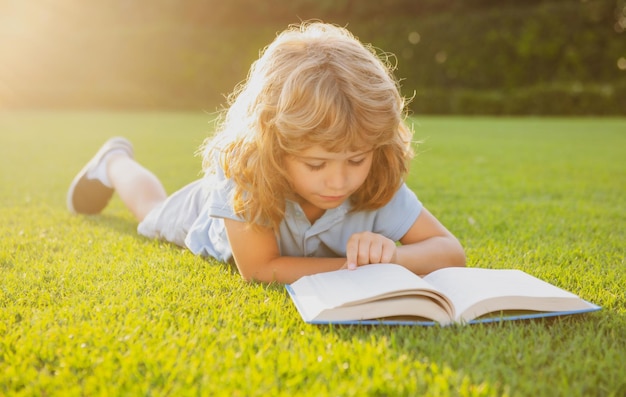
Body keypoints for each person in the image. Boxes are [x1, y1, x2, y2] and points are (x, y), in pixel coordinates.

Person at [67, 22, 465, 284]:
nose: (340, 180)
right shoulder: (245, 177)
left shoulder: (374, 182)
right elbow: (260, 269)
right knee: (152, 210)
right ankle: (115, 162)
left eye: (356, 159)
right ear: (274, 147)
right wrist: (360, 270)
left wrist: (392, 258)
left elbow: (450, 252)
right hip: (204, 216)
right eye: (316, 163)